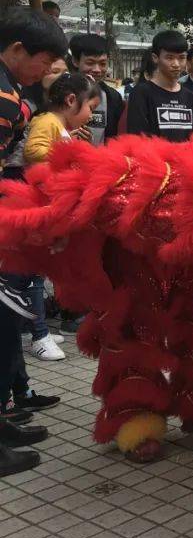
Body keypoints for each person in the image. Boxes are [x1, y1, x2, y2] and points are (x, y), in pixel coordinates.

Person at [0, 6, 68, 477]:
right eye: (44, 61)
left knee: (5, 337)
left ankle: (4, 423)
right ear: (19, 50)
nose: (47, 72)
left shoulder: (13, 92)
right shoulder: (4, 100)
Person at [21, 73, 101, 362]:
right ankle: (39, 335)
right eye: (90, 107)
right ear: (71, 100)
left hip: (46, 206)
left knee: (36, 274)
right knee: (31, 276)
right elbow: (33, 151)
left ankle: (36, 328)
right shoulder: (47, 122)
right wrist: (68, 156)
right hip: (34, 206)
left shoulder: (60, 125)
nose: (91, 115)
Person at [125, 31, 193, 141]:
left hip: (185, 157)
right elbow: (138, 138)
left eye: (181, 58)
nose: (176, 64)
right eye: (169, 58)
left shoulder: (191, 97)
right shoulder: (141, 93)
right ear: (155, 58)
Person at [69, 33, 124, 143]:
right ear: (75, 61)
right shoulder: (61, 92)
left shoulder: (113, 97)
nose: (97, 69)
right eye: (90, 63)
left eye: (103, 64)